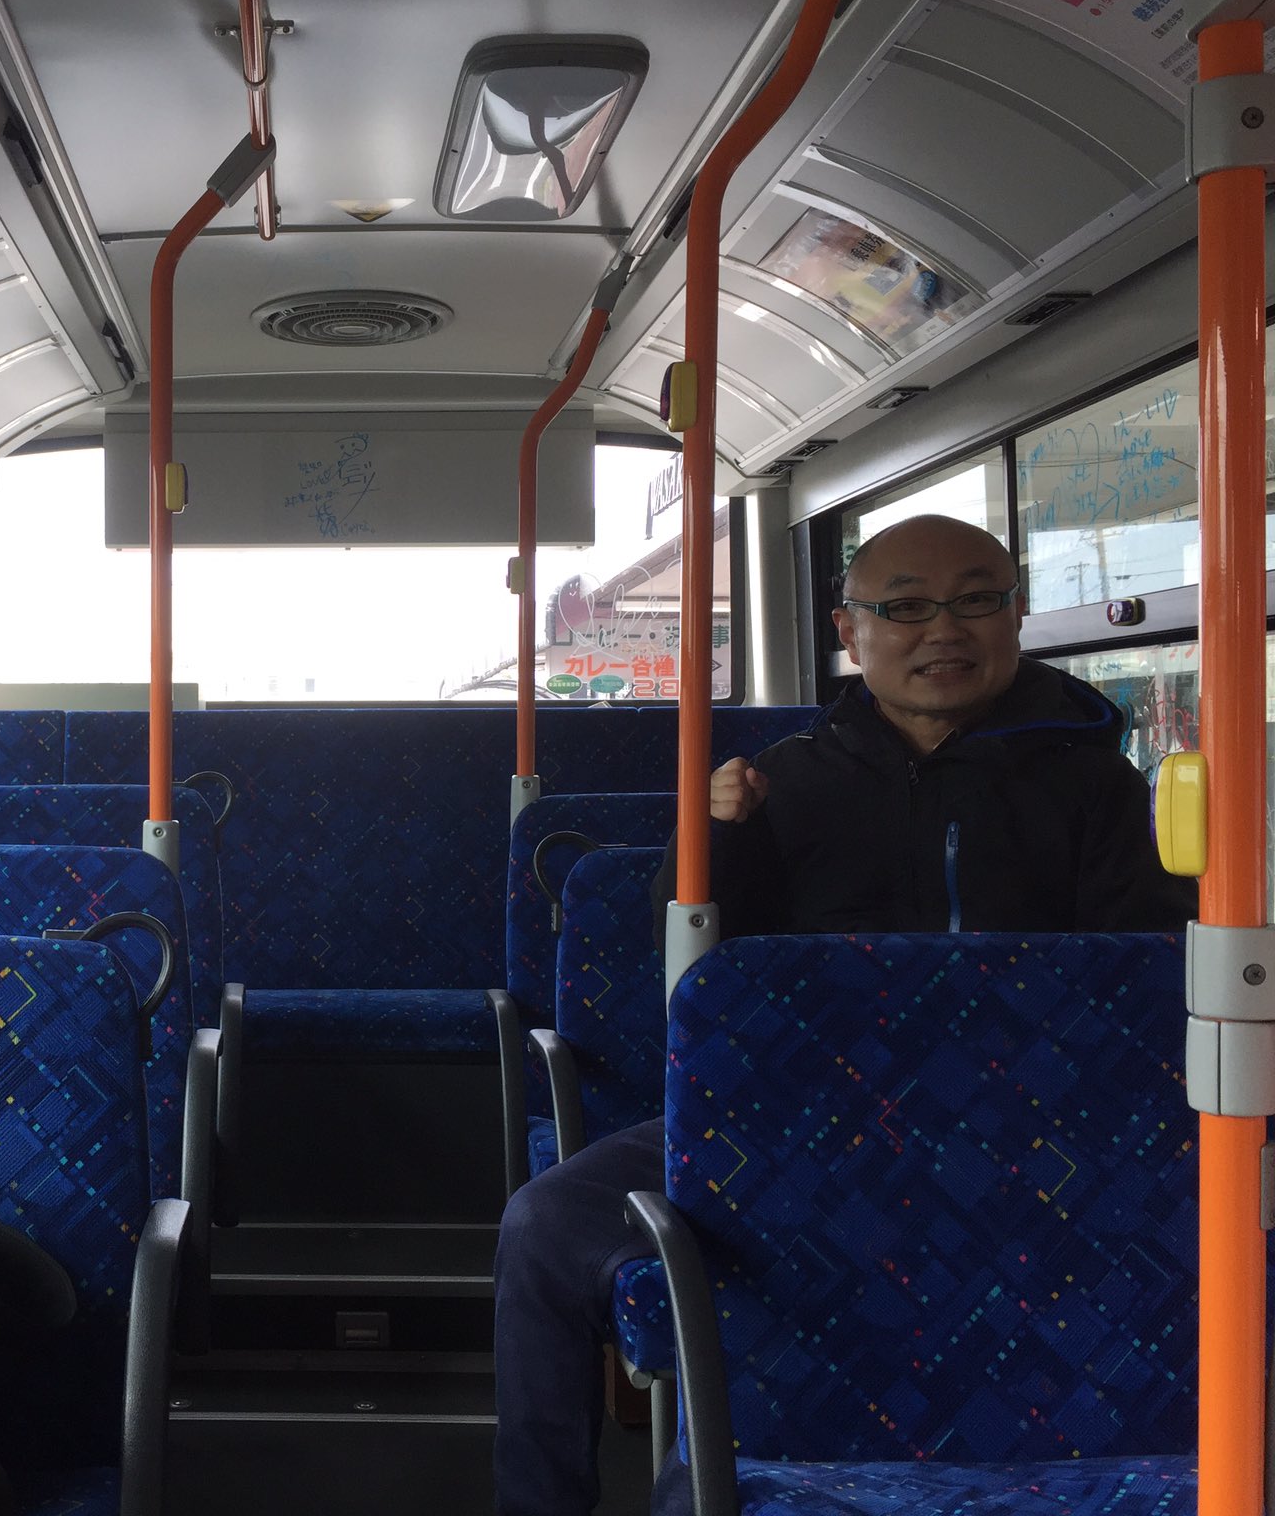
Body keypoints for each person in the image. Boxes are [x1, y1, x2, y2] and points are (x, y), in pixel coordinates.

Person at [492, 514, 1196, 1516]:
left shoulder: (1100, 787)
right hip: (797, 1126)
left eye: (974, 599)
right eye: (904, 607)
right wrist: (714, 843)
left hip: (1037, 1133)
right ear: (848, 630)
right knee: (542, 1224)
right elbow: (695, 979)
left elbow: (1137, 986)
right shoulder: (780, 783)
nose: (942, 628)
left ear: (1014, 615)